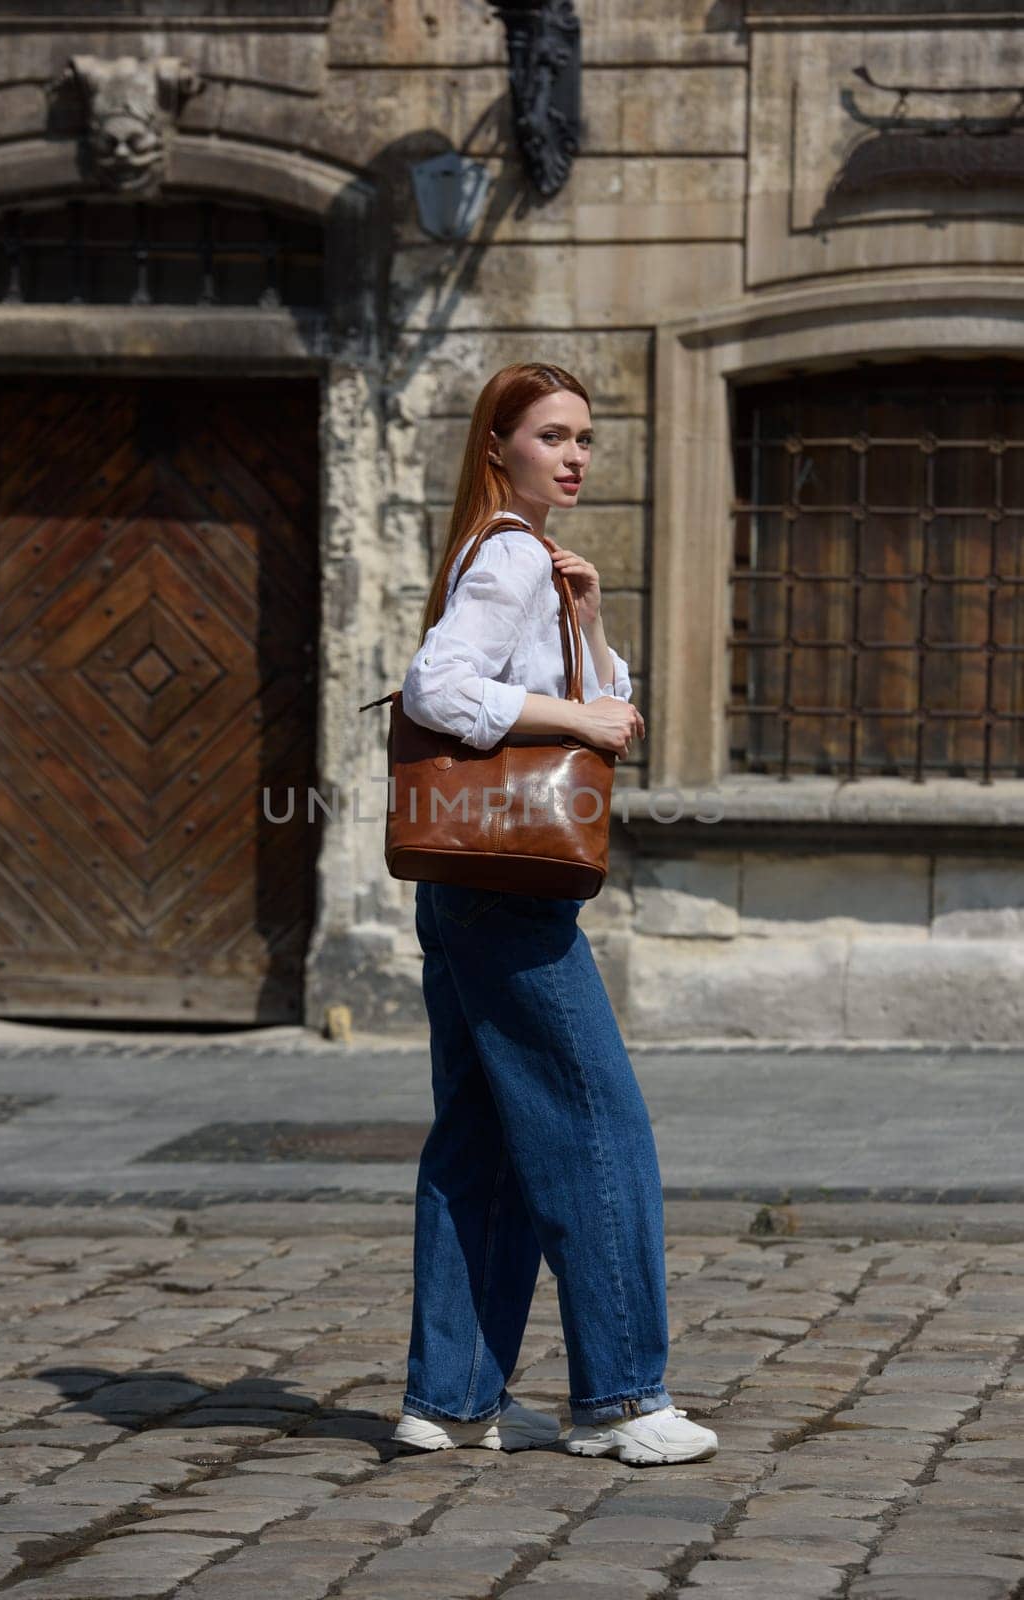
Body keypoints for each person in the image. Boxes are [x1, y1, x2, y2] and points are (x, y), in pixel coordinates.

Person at [389, 362, 718, 1468]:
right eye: (553, 436)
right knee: (598, 1129)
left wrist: (589, 618)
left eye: (585, 438)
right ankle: (622, 1398)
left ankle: (448, 1401)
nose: (575, 455)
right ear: (499, 447)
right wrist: (574, 705)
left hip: (467, 888)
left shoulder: (531, 564)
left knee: (482, 1143)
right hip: (509, 898)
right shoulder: (511, 554)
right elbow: (438, 688)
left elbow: (604, 699)